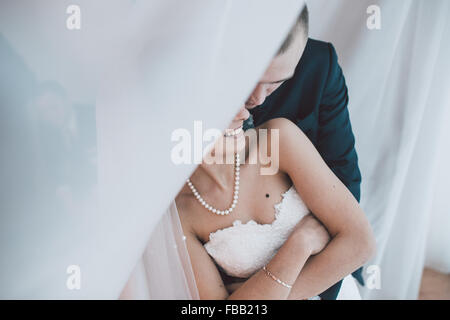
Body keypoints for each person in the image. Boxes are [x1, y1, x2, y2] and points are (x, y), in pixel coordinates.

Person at [243, 4, 364, 299]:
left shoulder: (320, 67)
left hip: (312, 266)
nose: (256, 100)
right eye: (249, 80)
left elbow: (345, 182)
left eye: (276, 84)